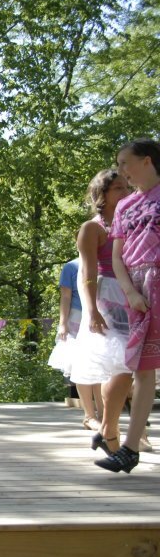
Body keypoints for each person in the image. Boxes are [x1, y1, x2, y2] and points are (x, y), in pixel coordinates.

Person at [97, 138, 160, 473]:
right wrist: (130, 293)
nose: (121, 170)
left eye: (125, 163)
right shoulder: (125, 206)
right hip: (138, 288)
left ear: (146, 161)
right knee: (143, 368)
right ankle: (130, 450)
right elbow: (117, 257)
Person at [70, 169, 134, 459]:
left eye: (127, 187)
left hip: (132, 293)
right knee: (120, 363)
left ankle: (109, 429)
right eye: (118, 188)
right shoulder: (92, 229)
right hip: (107, 297)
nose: (125, 193)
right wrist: (93, 310)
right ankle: (110, 431)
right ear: (103, 195)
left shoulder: (131, 224)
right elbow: (87, 273)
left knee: (130, 367)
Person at [47, 257, 102, 429]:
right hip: (77, 319)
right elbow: (65, 296)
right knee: (81, 365)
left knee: (100, 365)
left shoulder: (105, 262)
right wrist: (63, 323)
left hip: (101, 316)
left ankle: (103, 414)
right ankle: (89, 415)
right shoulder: (71, 266)